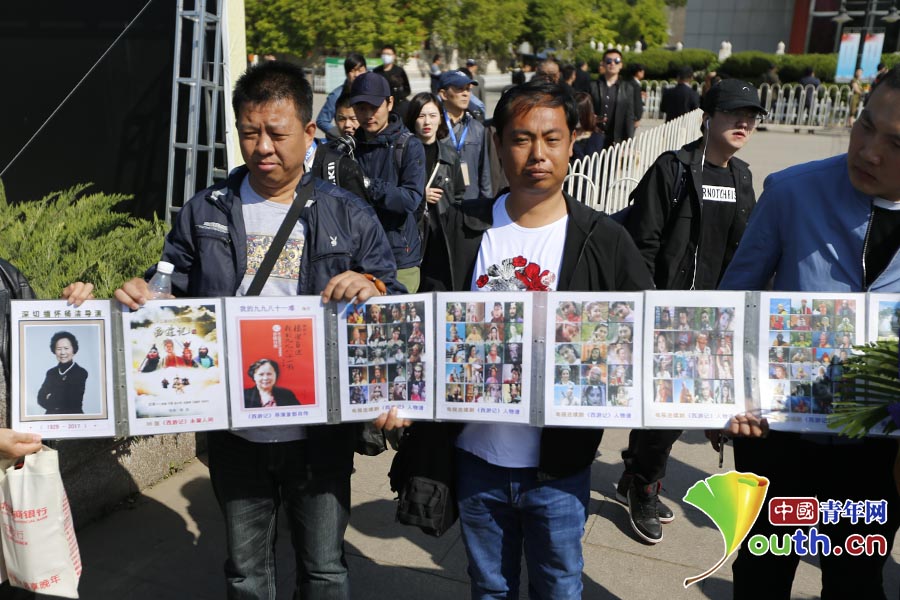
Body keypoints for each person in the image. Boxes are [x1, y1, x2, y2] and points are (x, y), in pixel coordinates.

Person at [64, 60, 405, 600]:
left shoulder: (348, 214)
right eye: (251, 133)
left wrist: (372, 287)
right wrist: (143, 298)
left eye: (277, 133)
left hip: (319, 431)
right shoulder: (205, 210)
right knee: (246, 571)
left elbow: (393, 299)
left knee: (325, 569)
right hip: (233, 430)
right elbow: (167, 288)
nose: (263, 146)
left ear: (309, 132)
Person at [419, 79, 653, 598]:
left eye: (552, 138)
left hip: (561, 469)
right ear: (499, 144)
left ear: (575, 143)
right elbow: (427, 330)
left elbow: (648, 340)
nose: (537, 154)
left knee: (559, 586)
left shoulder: (604, 240)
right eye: (522, 139)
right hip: (476, 459)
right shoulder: (461, 227)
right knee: (490, 587)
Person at [716, 67, 900, 599]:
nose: (868, 151)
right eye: (865, 127)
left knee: (855, 577)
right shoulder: (792, 191)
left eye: (896, 142)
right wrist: (727, 397)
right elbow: (734, 303)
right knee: (762, 574)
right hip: (779, 440)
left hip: (876, 453)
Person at [615, 78, 765, 544]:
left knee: (670, 413)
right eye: (734, 113)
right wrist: (651, 310)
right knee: (669, 412)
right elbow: (644, 243)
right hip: (668, 314)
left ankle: (634, 475)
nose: (744, 122)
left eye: (752, 115)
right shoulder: (673, 168)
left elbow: (748, 250)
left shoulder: (742, 176)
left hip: (715, 321)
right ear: (709, 116)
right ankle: (642, 485)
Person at [350, 72, 426, 292]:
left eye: (374, 107)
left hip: (399, 259)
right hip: (357, 255)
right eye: (360, 108)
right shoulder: (349, 148)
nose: (367, 115)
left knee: (395, 323)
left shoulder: (409, 145)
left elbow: (410, 199)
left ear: (390, 103)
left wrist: (367, 185)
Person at [438, 70, 492, 203]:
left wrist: (487, 204)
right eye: (459, 89)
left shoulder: (477, 127)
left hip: (471, 204)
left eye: (468, 89)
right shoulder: (434, 126)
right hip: (441, 205)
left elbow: (484, 171)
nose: (465, 93)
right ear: (444, 94)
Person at [590, 48, 637, 149]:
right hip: (595, 136)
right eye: (608, 61)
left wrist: (628, 143)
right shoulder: (593, 86)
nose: (612, 64)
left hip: (616, 138)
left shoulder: (627, 88)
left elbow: (629, 116)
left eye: (616, 61)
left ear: (621, 65)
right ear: (603, 64)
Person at [315, 52, 367, 140]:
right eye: (352, 71)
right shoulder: (336, 95)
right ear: (347, 74)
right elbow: (322, 120)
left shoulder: (372, 92)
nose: (356, 74)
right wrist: (339, 133)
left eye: (360, 70)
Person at [37, 331, 88, 415]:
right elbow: (40, 399)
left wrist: (51, 397)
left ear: (73, 349)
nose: (62, 352)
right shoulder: (51, 373)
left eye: (66, 348)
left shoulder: (81, 372)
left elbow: (72, 402)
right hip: (51, 417)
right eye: (59, 349)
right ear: (54, 350)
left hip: (73, 417)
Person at [373, 45, 411, 118]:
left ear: (394, 56)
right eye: (384, 54)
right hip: (381, 106)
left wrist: (399, 97)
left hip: (398, 107)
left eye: (388, 54)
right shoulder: (376, 71)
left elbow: (407, 89)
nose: (386, 56)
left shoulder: (399, 71)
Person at [571, 92, 604, 161]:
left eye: (580, 114)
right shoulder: (567, 132)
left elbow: (588, 163)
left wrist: (573, 144)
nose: (577, 118)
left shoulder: (596, 136)